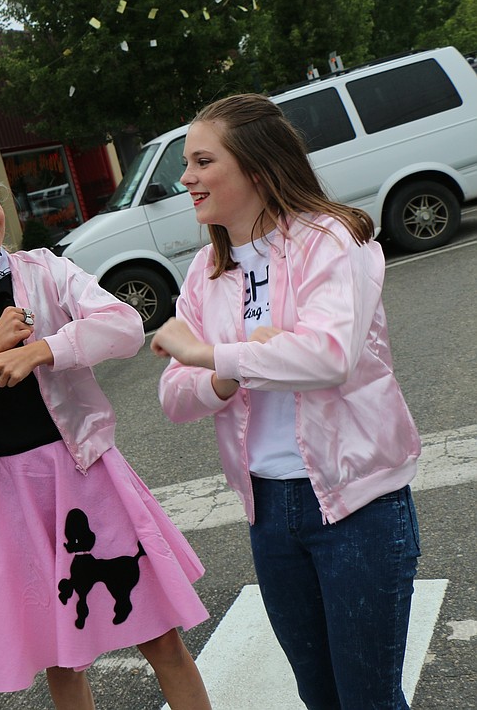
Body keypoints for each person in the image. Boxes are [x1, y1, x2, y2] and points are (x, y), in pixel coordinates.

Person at [0, 153, 210, 710]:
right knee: (60, 659)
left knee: (160, 634)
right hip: (3, 492)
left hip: (82, 470)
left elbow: (125, 325)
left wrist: (42, 350)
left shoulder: (42, 270)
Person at [151, 93, 421, 709]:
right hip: (270, 510)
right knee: (320, 696)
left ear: (256, 165)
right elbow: (174, 397)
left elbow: (327, 357)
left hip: (358, 504)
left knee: (368, 700)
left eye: (200, 161)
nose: (186, 179)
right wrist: (229, 370)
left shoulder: (330, 241)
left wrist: (212, 353)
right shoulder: (204, 272)